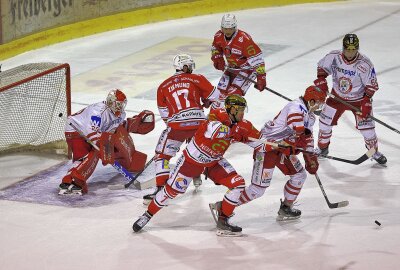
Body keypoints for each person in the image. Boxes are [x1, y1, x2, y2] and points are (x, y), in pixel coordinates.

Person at [133, 95, 260, 236]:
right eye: (240, 109)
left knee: (238, 183)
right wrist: (235, 132)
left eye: (243, 109)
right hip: (191, 162)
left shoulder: (242, 124)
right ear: (231, 109)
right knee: (170, 192)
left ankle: (223, 220)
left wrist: (283, 145)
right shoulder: (216, 117)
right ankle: (147, 215)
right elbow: (217, 132)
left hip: (213, 162)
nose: (242, 113)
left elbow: (260, 140)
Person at [237, 85, 326, 220]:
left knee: (299, 176)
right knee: (258, 190)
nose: (320, 107)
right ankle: (224, 207)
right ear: (311, 101)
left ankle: (286, 207)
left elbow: (307, 137)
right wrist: (296, 145)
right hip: (268, 147)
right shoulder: (295, 107)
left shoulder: (311, 116)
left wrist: (310, 157)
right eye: (319, 103)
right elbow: (298, 132)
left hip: (284, 147)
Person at [142, 53, 220, 204]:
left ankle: (161, 189)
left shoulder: (163, 85)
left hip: (177, 125)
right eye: (189, 66)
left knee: (162, 156)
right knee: (197, 150)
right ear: (184, 66)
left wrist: (177, 127)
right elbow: (217, 96)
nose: (191, 68)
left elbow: (164, 113)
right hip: (199, 123)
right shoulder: (197, 78)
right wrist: (207, 102)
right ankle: (196, 174)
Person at [59, 89, 155, 195]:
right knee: (89, 155)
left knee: (87, 156)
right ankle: (73, 181)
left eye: (122, 104)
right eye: (118, 104)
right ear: (110, 102)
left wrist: (135, 124)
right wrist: (103, 149)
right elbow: (91, 132)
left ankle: (70, 181)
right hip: (76, 131)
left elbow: (112, 131)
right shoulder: (98, 111)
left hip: (89, 132)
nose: (120, 107)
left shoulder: (120, 114)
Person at [315, 33, 387, 165]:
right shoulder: (333, 57)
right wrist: (321, 79)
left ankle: (373, 152)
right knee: (324, 124)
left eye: (353, 50)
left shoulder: (365, 64)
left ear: (357, 49)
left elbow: (372, 85)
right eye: (348, 49)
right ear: (343, 48)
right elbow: (322, 68)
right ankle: (322, 148)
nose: (350, 52)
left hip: (359, 100)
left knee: (368, 130)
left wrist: (366, 101)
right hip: (337, 97)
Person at [210, 13, 266, 112]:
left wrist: (261, 77)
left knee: (232, 96)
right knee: (219, 94)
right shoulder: (218, 36)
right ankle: (213, 118)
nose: (227, 31)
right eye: (225, 28)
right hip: (231, 69)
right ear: (221, 27)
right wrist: (217, 58)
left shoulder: (244, 39)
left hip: (246, 70)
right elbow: (216, 48)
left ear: (235, 27)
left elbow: (257, 59)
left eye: (230, 29)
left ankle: (228, 119)